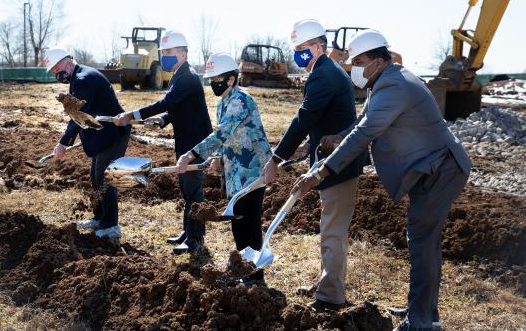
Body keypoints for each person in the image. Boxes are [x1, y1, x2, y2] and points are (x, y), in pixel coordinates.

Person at [290, 29, 472, 331]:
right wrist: (338, 136)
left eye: (359, 61)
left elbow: (365, 133)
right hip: (431, 169)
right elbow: (362, 122)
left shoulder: (394, 86)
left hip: (442, 170)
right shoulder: (385, 81)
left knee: (422, 244)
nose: (356, 68)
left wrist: (322, 171)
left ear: (377, 59)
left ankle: (421, 321)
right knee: (425, 245)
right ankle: (425, 312)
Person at [262, 19, 367, 311]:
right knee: (328, 225)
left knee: (333, 229)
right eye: (295, 48)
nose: (297, 54)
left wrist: (276, 159)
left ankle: (330, 296)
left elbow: (304, 118)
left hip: (340, 162)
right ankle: (326, 282)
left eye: (302, 48)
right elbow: (329, 116)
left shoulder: (323, 74)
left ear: (318, 46)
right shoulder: (326, 70)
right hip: (331, 155)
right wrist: (310, 144)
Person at [114, 31, 212, 255]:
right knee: (187, 189)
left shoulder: (188, 76)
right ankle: (188, 232)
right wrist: (163, 119)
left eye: (170, 52)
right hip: (187, 140)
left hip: (196, 143)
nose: (165, 56)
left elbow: (167, 101)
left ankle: (195, 238)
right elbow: (176, 107)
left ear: (183, 53)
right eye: (163, 52)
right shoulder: (179, 75)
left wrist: (132, 115)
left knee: (193, 190)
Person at [175, 53, 271, 280]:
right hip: (236, 171)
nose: (213, 83)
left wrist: (190, 154)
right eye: (210, 79)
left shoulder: (240, 100)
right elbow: (227, 137)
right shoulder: (223, 103)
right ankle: (243, 268)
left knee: (248, 220)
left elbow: (221, 133)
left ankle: (255, 273)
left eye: (217, 78)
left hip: (253, 169)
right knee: (237, 220)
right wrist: (218, 158)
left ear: (230, 79)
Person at [46, 47, 131, 239]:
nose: (55, 73)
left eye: (56, 68)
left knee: (105, 178)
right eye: (52, 71)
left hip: (113, 134)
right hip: (102, 133)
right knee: (95, 176)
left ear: (68, 62)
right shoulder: (78, 77)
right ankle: (99, 216)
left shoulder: (83, 80)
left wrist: (63, 144)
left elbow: (76, 117)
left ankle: (111, 225)